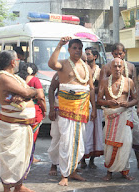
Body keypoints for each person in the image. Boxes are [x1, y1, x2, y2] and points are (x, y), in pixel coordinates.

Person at [48, 36, 96, 186]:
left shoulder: (86, 67)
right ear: (69, 50)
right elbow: (51, 64)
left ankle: (73, 170)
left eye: (79, 48)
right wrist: (59, 45)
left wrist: (94, 108)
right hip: (66, 109)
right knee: (66, 142)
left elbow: (91, 89)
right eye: (74, 48)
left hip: (81, 109)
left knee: (79, 142)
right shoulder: (63, 64)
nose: (77, 50)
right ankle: (64, 174)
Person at [100, 43, 139, 171]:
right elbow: (103, 87)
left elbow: (135, 89)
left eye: (120, 53)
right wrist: (108, 103)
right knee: (112, 138)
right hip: (112, 110)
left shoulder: (131, 67)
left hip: (129, 107)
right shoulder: (106, 67)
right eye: (116, 54)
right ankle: (112, 167)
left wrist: (137, 106)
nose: (118, 56)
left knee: (136, 135)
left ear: (124, 53)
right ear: (112, 54)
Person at [0, 50, 37, 192]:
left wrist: (27, 94)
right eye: (18, 60)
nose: (19, 62)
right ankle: (7, 188)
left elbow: (32, 91)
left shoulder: (13, 77)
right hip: (11, 126)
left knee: (21, 158)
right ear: (13, 62)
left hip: (22, 125)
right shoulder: (3, 77)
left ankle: (18, 186)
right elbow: (29, 92)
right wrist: (28, 93)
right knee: (10, 159)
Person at [97, 58, 137, 181]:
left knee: (126, 143)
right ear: (110, 68)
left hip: (124, 115)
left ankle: (124, 170)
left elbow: (135, 99)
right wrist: (107, 101)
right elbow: (98, 100)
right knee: (109, 143)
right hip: (111, 116)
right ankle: (109, 171)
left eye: (120, 66)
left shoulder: (129, 82)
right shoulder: (104, 82)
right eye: (115, 66)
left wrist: (128, 104)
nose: (117, 69)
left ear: (123, 68)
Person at [81, 47, 104, 168]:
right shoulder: (82, 68)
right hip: (84, 102)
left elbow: (101, 88)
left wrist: (90, 89)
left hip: (96, 102)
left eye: (88, 54)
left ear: (95, 57)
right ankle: (82, 159)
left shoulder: (100, 71)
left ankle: (92, 160)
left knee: (96, 132)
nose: (86, 55)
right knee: (85, 132)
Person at [19, 63, 47, 163]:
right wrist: (44, 109)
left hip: (20, 109)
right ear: (34, 72)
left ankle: (22, 156)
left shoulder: (18, 79)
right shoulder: (35, 80)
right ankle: (30, 157)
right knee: (32, 136)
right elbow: (41, 97)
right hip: (34, 110)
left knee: (23, 135)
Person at [47, 73, 60, 176]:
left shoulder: (84, 71)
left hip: (76, 110)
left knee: (72, 139)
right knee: (56, 136)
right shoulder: (60, 72)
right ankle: (54, 164)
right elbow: (51, 89)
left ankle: (72, 167)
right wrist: (51, 109)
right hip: (59, 108)